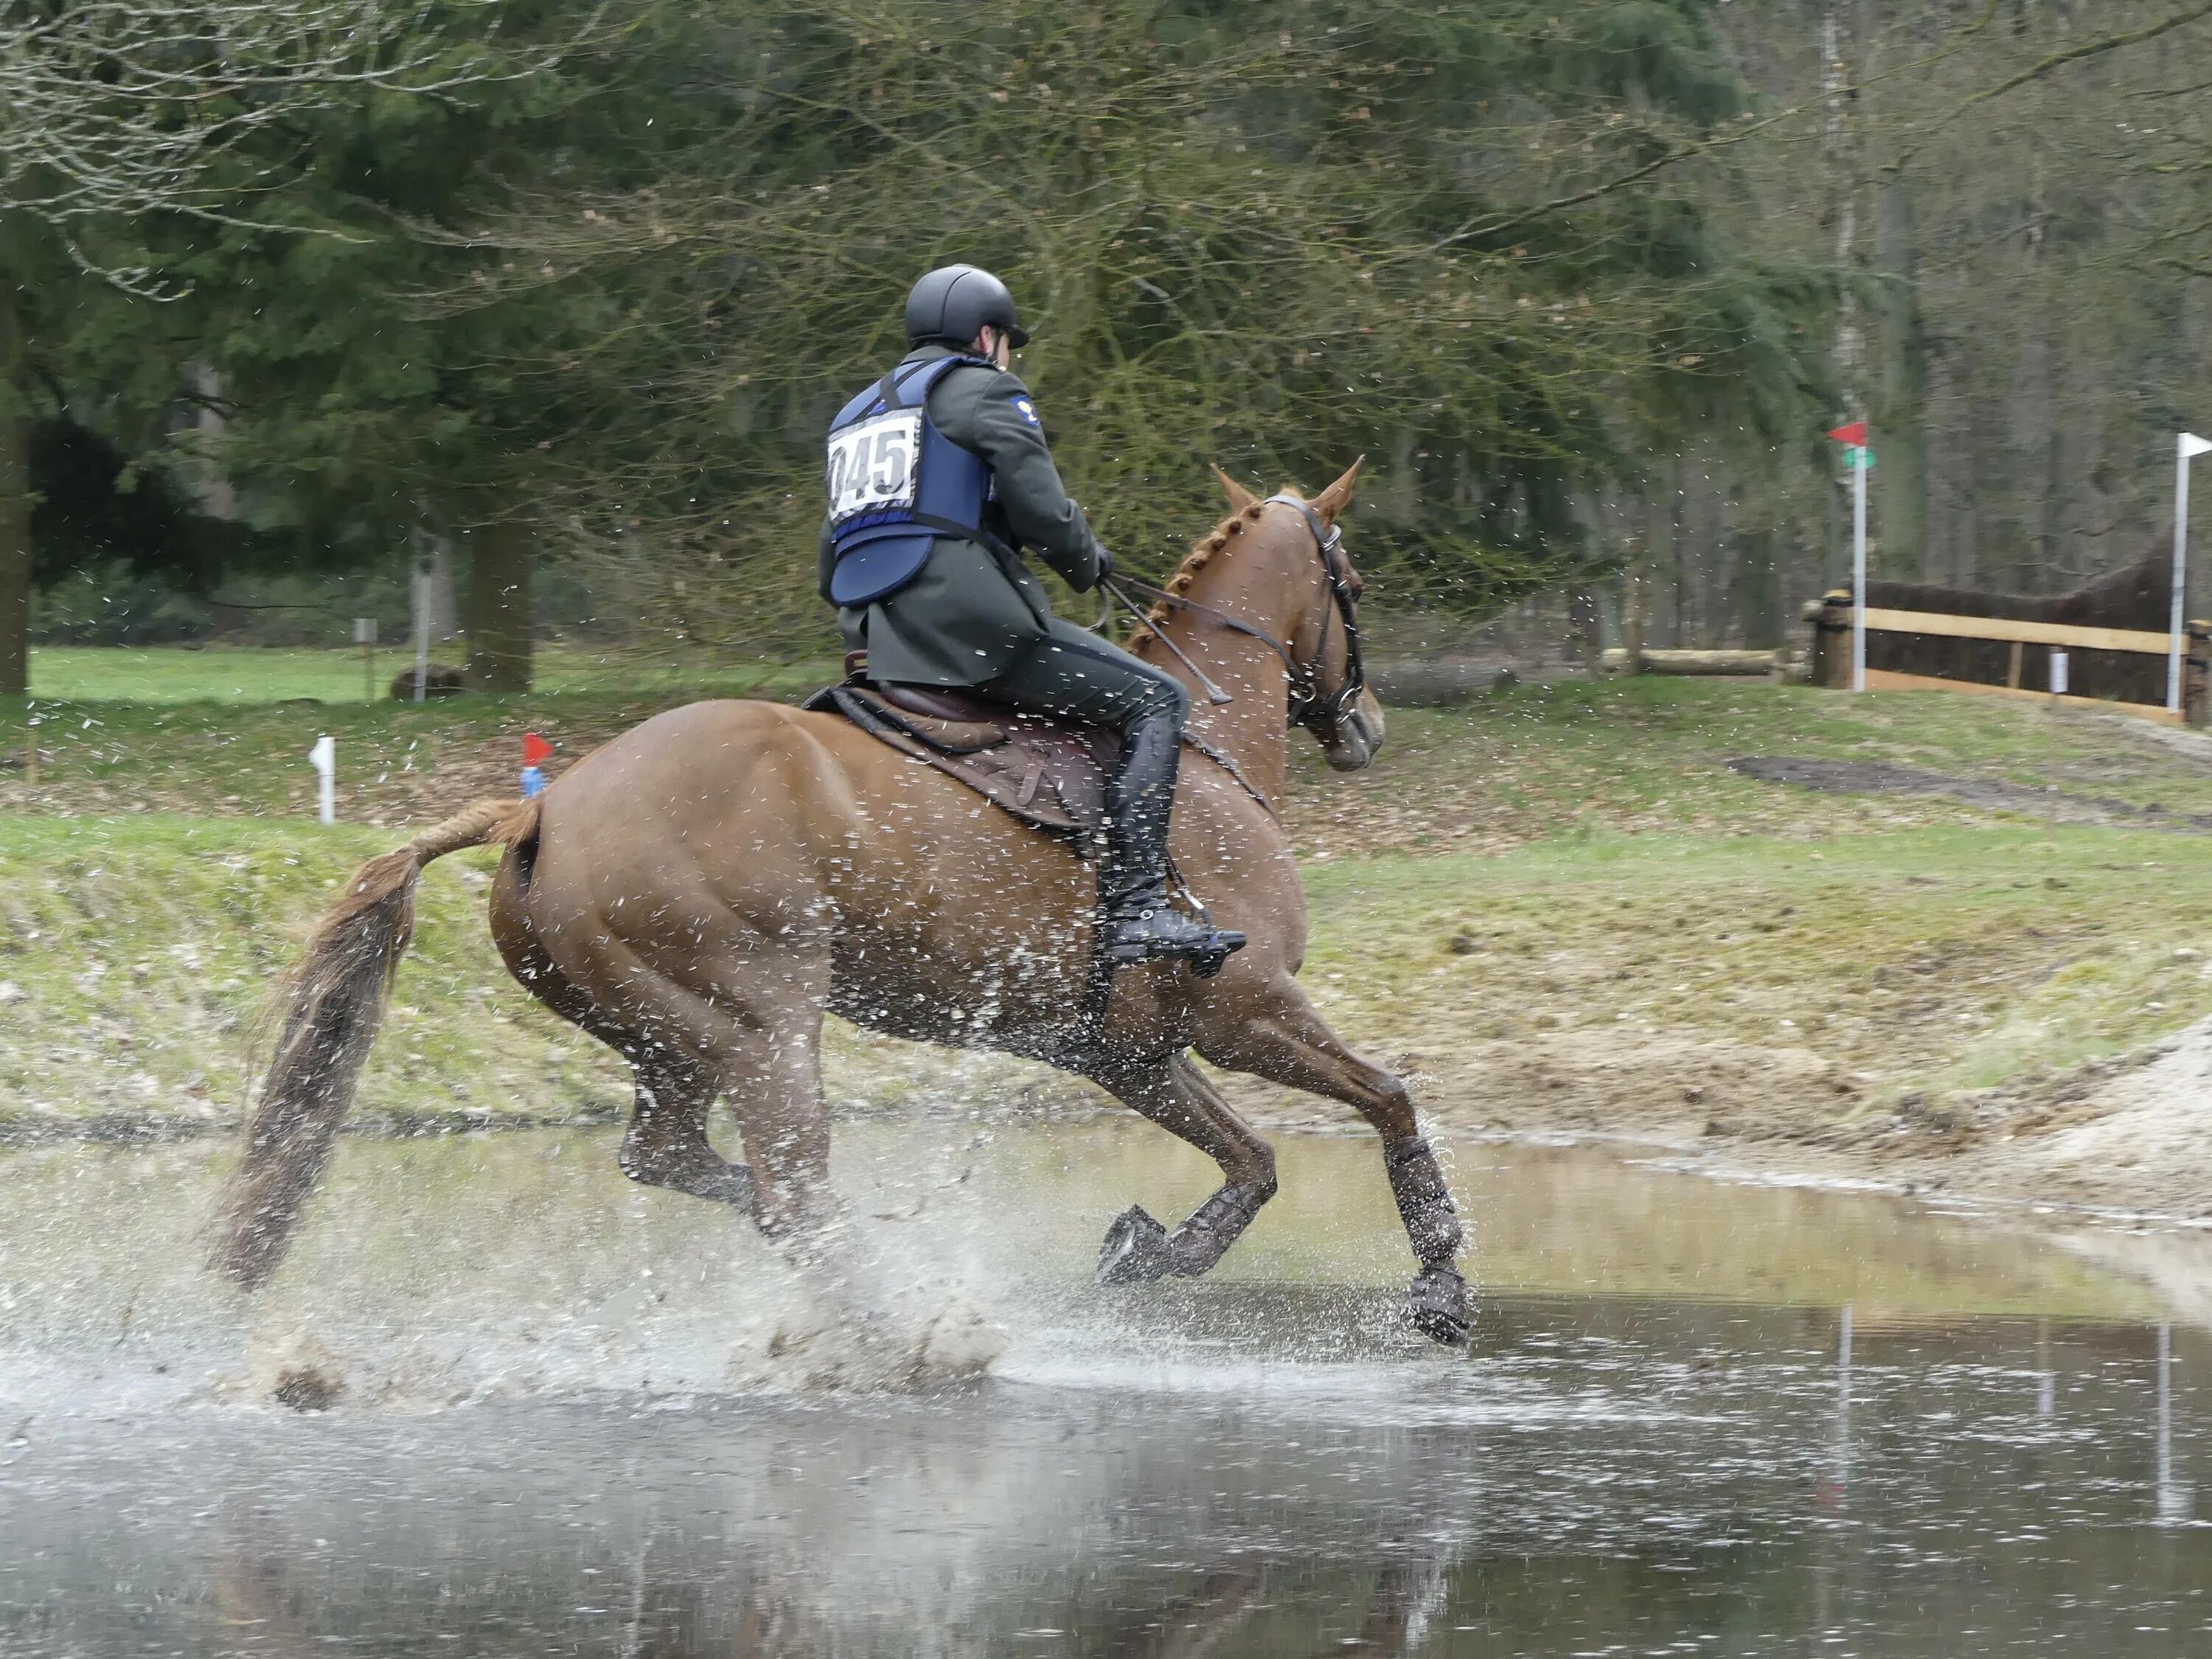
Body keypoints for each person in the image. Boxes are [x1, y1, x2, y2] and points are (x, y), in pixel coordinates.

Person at [818, 263, 1245, 970]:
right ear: (986, 337)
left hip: (873, 636)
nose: (1009, 353)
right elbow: (1042, 511)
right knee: (1158, 698)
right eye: (1008, 341)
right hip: (969, 628)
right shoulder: (984, 388)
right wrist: (1087, 562)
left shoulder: (856, 416)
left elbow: (832, 554)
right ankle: (1137, 909)